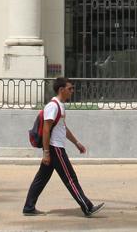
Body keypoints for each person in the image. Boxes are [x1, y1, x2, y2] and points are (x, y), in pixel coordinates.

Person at [22, 77, 105, 217]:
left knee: (41, 179)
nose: (72, 91)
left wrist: (77, 143)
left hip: (56, 148)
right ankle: (87, 207)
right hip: (55, 149)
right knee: (70, 179)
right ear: (61, 90)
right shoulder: (53, 106)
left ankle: (28, 208)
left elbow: (63, 128)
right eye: (70, 88)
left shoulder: (60, 105)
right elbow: (47, 130)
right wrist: (46, 153)